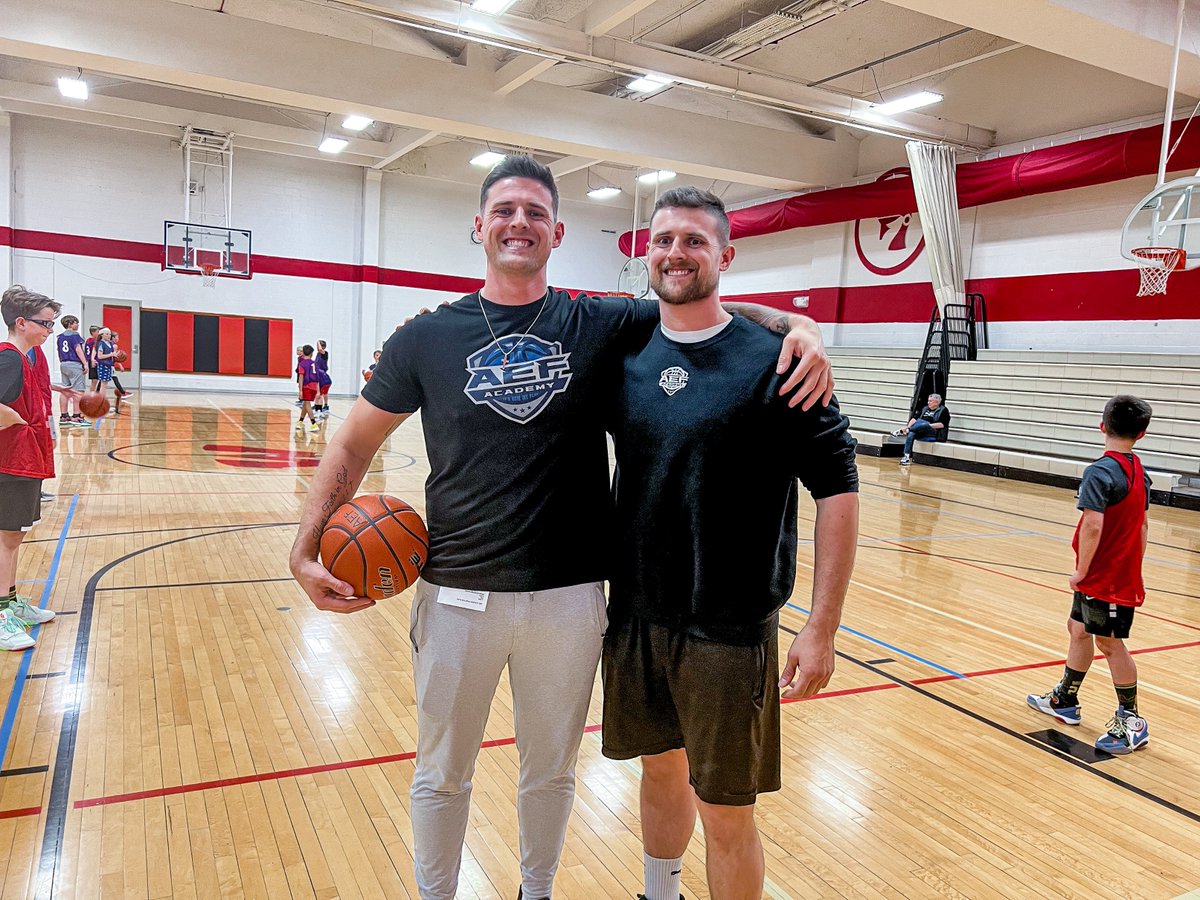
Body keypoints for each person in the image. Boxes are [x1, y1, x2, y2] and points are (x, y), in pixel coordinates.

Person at [289, 156, 834, 900]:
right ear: (479, 226)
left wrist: (798, 325)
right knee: (441, 771)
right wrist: (303, 544)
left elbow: (703, 308)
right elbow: (352, 443)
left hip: (571, 598)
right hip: (455, 596)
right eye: (505, 211)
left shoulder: (600, 321)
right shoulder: (425, 338)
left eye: (535, 213)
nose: (519, 223)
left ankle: (536, 893)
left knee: (550, 770)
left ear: (558, 232)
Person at [603, 188, 859, 900]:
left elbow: (838, 489)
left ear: (725, 255)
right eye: (662, 241)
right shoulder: (626, 344)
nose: (674, 254)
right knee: (657, 769)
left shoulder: (780, 361)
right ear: (644, 252)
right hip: (635, 612)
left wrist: (822, 626)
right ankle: (661, 893)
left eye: (693, 241)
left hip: (727, 625)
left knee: (725, 809)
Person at [1026, 395, 1154, 755]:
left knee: (1110, 643)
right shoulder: (1138, 470)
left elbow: (1093, 525)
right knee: (1078, 629)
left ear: (1102, 425)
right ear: (1141, 433)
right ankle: (1064, 699)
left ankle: (1132, 721)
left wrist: (1082, 570)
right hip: (1112, 573)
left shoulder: (1099, 471)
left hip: (1105, 577)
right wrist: (1134, 565)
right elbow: (1143, 525)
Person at [0, 285, 62, 650]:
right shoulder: (8, 357)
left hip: (24, 460)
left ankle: (10, 602)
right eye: (45, 324)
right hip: (10, 462)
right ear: (21, 323)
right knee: (6, 538)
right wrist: (16, 421)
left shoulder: (25, 358)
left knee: (13, 536)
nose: (49, 331)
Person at [893, 393, 950, 465]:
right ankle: (906, 457)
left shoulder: (943, 410)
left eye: (930, 401)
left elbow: (942, 425)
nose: (928, 403)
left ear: (937, 402)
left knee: (923, 424)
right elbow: (914, 419)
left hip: (933, 431)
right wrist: (908, 426)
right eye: (928, 401)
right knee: (911, 433)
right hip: (919, 430)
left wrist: (928, 425)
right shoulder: (925, 409)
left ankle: (903, 431)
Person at [55, 316, 88, 427]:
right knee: (79, 391)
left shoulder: (60, 337)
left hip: (63, 364)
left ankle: (64, 416)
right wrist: (85, 363)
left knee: (65, 390)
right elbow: (78, 349)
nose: (78, 325)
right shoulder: (75, 335)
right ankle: (76, 417)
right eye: (76, 323)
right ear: (70, 324)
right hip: (74, 364)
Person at [295, 345, 320, 433]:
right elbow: (317, 377)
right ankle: (300, 421)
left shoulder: (302, 364)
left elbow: (301, 377)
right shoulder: (315, 363)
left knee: (307, 404)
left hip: (307, 386)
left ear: (303, 353)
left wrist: (300, 390)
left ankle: (314, 424)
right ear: (312, 354)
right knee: (306, 403)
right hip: (314, 386)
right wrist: (318, 390)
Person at [93, 327, 116, 414]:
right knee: (103, 385)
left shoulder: (110, 343)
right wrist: (111, 354)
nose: (109, 335)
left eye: (109, 334)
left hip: (108, 365)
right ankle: (102, 404)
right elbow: (99, 356)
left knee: (104, 385)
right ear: (101, 335)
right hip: (103, 365)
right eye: (107, 334)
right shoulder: (101, 344)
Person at [109, 330, 134, 404]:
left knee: (103, 380)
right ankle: (122, 393)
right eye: (117, 337)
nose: (118, 338)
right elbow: (115, 357)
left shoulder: (108, 344)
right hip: (109, 364)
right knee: (113, 378)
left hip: (108, 364)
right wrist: (120, 365)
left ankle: (97, 392)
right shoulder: (114, 346)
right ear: (113, 338)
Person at [314, 339, 331, 418]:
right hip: (319, 375)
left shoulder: (325, 353)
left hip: (323, 377)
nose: (317, 346)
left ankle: (319, 410)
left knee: (320, 394)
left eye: (318, 345)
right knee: (319, 394)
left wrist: (318, 341)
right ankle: (318, 407)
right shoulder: (317, 354)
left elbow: (320, 349)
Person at [84, 324, 100, 391]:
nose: (99, 333)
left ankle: (94, 394)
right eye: (98, 332)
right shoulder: (94, 341)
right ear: (93, 332)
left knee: (95, 380)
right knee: (94, 380)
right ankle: (92, 395)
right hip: (93, 361)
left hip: (90, 360)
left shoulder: (88, 340)